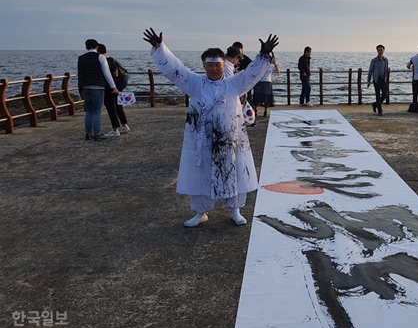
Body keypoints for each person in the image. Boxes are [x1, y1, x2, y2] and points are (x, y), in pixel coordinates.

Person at [142, 28, 278, 227]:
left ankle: (235, 209)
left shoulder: (235, 83)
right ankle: (201, 212)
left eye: (218, 65)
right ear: (204, 66)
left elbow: (253, 74)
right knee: (201, 174)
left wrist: (264, 55)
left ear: (225, 65)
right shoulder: (194, 84)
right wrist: (160, 48)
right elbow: (175, 69)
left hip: (229, 139)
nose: (214, 69)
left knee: (233, 172)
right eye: (210, 65)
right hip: (201, 140)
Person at [77, 39, 119, 141]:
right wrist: (114, 87)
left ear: (86, 47)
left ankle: (88, 133)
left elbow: (78, 74)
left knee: (89, 111)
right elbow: (107, 73)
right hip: (97, 86)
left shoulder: (80, 58)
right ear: (97, 47)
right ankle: (97, 134)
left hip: (84, 87)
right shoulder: (100, 57)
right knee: (96, 111)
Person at [97, 44, 130, 138]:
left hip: (110, 88)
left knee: (111, 108)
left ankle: (115, 129)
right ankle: (125, 125)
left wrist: (112, 87)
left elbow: (107, 75)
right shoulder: (113, 60)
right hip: (118, 87)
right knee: (119, 107)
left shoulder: (104, 61)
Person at [366, 44, 390, 116]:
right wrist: (369, 80)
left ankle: (375, 104)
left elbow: (386, 69)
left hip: (383, 79)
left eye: (381, 50)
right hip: (376, 79)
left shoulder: (385, 60)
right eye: (379, 50)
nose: (380, 52)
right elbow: (370, 71)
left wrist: (388, 71)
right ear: (377, 51)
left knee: (385, 94)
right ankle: (380, 110)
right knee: (377, 94)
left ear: (383, 50)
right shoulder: (374, 61)